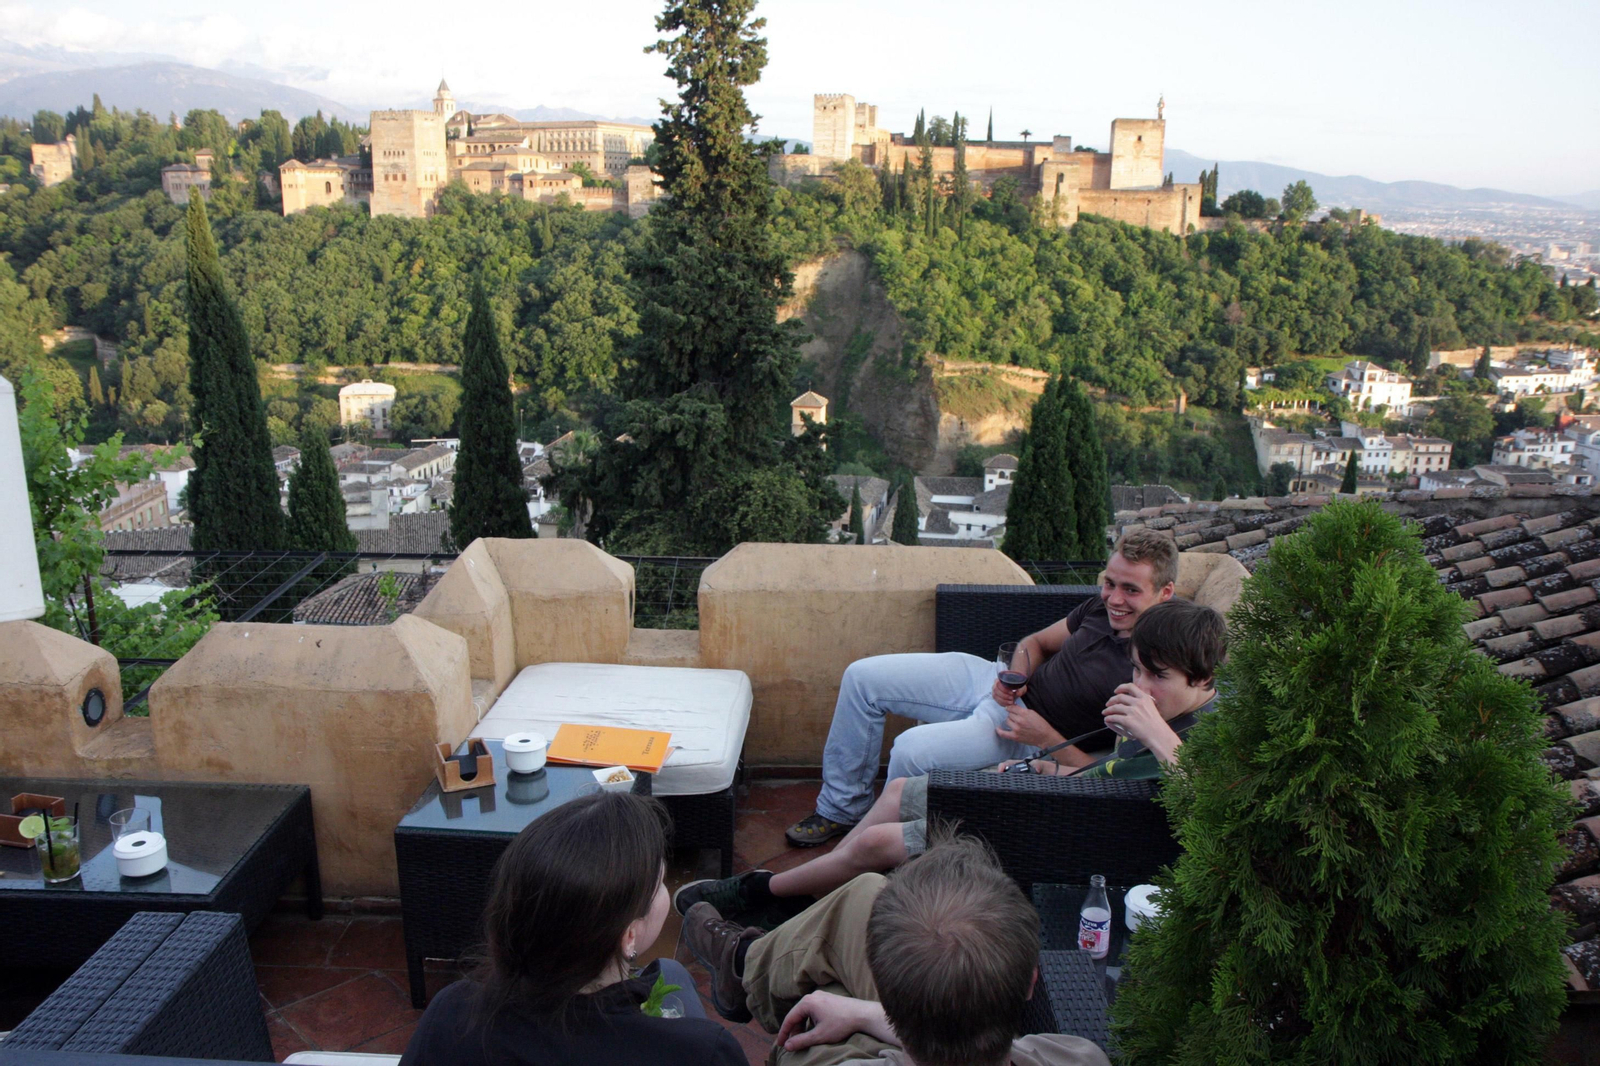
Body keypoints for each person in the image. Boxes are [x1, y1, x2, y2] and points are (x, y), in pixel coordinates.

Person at [676, 599, 1226, 925]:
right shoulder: (1158, 705)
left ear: (1203, 680)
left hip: (1051, 827)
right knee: (898, 792)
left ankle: (770, 894)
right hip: (1044, 783)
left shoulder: (1204, 737)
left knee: (879, 836)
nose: (1141, 686)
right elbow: (1102, 773)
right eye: (1136, 671)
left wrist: (1150, 733)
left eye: (1158, 677)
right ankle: (817, 888)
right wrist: (1039, 768)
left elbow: (1208, 811)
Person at [786, 528, 1179, 847]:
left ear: (1165, 593)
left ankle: (872, 853)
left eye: (1131, 590)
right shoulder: (1098, 608)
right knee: (862, 678)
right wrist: (1016, 675)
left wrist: (1045, 736)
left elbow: (1107, 771)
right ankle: (842, 809)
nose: (1114, 598)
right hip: (996, 682)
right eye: (1109, 583)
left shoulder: (1159, 667)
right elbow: (1036, 643)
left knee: (910, 750)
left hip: (1023, 732)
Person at [682, 835, 1112, 1066]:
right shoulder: (1081, 1055)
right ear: (1031, 980)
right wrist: (867, 1013)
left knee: (819, 995)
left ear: (881, 993)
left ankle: (744, 965)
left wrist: (858, 1010)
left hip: (881, 1037)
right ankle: (746, 963)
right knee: (867, 893)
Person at [399, 791, 745, 1066]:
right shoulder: (699, 1052)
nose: (665, 890)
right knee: (672, 974)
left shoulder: (453, 1013)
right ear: (629, 936)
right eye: (659, 883)